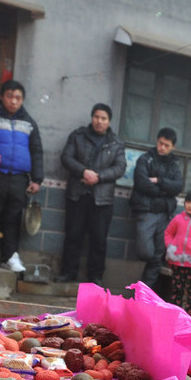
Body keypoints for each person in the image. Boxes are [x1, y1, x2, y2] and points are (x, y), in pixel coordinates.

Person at [0, 80, 43, 273]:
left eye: (18, 98)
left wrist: (37, 179)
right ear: (2, 96)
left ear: (22, 100)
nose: (13, 101)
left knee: (13, 218)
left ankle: (10, 256)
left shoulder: (29, 123)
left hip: (19, 178)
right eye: (9, 96)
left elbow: (37, 151)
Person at [58, 103, 127, 285]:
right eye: (96, 117)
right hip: (77, 194)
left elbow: (120, 168)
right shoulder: (78, 136)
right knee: (73, 235)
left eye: (103, 118)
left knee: (99, 239)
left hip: (102, 199)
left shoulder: (116, 142)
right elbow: (66, 157)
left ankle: (95, 277)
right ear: (92, 117)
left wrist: (99, 177)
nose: (99, 121)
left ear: (109, 121)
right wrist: (83, 172)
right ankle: (68, 273)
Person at [131, 127, 185, 287]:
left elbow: (178, 186)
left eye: (166, 145)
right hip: (146, 210)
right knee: (146, 251)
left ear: (172, 147)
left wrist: (160, 181)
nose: (162, 147)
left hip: (165, 213)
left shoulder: (174, 165)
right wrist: (165, 191)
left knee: (158, 255)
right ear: (157, 141)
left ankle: (145, 292)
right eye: (161, 143)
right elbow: (141, 183)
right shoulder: (145, 159)